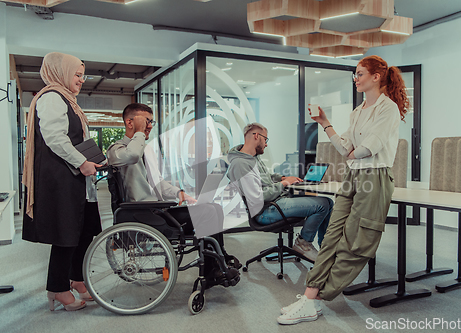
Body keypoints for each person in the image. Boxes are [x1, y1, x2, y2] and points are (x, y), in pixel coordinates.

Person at [277, 55, 410, 325]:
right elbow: (345, 150)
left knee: (356, 243)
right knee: (332, 238)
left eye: (360, 73)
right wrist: (325, 122)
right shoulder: (357, 112)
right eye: (355, 74)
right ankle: (309, 295)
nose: (355, 78)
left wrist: (349, 151)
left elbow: (364, 149)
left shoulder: (389, 109)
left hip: (375, 175)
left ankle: (315, 298)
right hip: (354, 175)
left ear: (376, 76)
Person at [106, 103, 240, 287]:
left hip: (158, 209)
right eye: (146, 121)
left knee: (213, 208)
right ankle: (212, 270)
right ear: (130, 123)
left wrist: (179, 193)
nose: (150, 126)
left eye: (151, 121)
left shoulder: (148, 149)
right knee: (207, 212)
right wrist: (138, 133)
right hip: (140, 213)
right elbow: (133, 156)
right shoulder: (117, 150)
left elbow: (158, 183)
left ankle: (218, 260)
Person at [22, 52, 103, 311]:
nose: (81, 80)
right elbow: (55, 138)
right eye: (77, 74)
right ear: (61, 72)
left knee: (85, 231)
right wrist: (81, 162)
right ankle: (57, 289)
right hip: (63, 178)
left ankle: (76, 279)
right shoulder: (52, 98)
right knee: (66, 235)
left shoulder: (68, 100)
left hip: (77, 179)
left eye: (82, 75)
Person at [227, 123, 334, 262]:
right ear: (256, 136)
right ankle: (304, 244)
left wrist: (281, 178)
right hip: (266, 210)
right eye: (266, 139)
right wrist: (283, 184)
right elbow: (258, 196)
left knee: (329, 202)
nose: (266, 144)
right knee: (323, 204)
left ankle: (324, 250)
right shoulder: (240, 164)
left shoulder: (252, 157)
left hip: (275, 202)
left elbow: (264, 178)